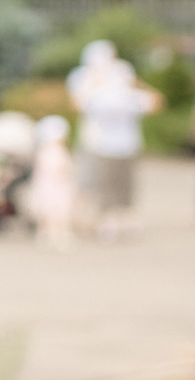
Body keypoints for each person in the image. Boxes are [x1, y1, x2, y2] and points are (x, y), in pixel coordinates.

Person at [69, 41, 162, 241]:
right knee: (98, 184)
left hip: (124, 145)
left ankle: (119, 221)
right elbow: (77, 104)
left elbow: (155, 102)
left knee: (121, 186)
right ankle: (98, 221)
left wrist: (134, 85)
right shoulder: (91, 88)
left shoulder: (128, 96)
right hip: (100, 144)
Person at [26, 114, 77, 248]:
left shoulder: (43, 150)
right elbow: (59, 168)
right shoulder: (54, 150)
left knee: (51, 211)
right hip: (56, 186)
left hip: (47, 185)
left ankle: (48, 234)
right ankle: (54, 234)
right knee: (56, 211)